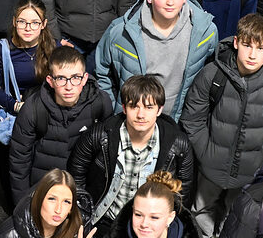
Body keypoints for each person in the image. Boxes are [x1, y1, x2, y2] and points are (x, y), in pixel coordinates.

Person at [180, 14, 263, 238]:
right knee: (199, 218)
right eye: (246, 45)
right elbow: (192, 119)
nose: (252, 54)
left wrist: (259, 164)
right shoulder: (212, 74)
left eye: (260, 48)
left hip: (250, 174)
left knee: (234, 224)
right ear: (236, 42)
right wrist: (205, 153)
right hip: (209, 168)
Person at [68, 74, 196, 229]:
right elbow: (76, 174)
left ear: (159, 110)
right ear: (124, 108)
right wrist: (83, 215)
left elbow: (183, 193)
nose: (141, 115)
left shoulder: (178, 144)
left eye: (149, 107)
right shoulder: (100, 135)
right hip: (101, 220)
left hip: (146, 227)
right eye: (134, 106)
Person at [94, 0, 217, 120]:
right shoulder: (120, 32)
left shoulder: (206, 32)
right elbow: (102, 71)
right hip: (133, 121)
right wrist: (113, 111)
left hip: (179, 123)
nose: (170, 2)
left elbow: (210, 78)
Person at [8, 46, 113, 205]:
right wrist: (22, 205)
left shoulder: (100, 102)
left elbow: (107, 153)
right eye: (61, 78)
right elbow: (19, 161)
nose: (69, 86)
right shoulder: (33, 108)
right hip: (43, 188)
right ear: (50, 81)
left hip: (81, 189)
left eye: (75, 77)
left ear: (85, 78)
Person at [0, 0, 63, 202]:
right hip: (15, 117)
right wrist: (15, 105)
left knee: (41, 170)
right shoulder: (2, 50)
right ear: (14, 22)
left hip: (45, 116)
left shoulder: (53, 48)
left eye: (34, 22)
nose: (28, 27)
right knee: (12, 171)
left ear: (44, 24)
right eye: (22, 21)